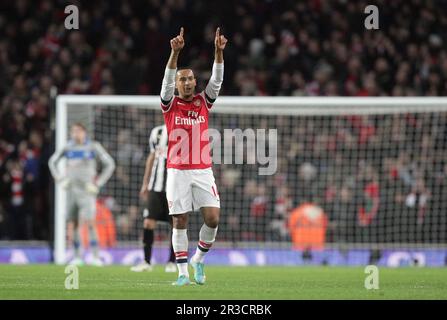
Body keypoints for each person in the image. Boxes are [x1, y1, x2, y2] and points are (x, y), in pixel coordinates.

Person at [160, 27, 227, 285]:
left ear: (194, 82)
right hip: (177, 170)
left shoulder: (203, 101)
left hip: (201, 169)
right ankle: (181, 273)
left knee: (213, 217)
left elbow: (217, 81)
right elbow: (166, 81)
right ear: (177, 84)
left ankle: (198, 258)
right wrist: (174, 53)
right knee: (180, 220)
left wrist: (218, 52)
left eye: (190, 79)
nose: (187, 82)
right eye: (182, 79)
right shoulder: (169, 104)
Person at [48, 123, 115, 266]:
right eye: (73, 131)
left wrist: (98, 183)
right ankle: (77, 257)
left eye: (78, 131)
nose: (75, 134)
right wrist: (60, 179)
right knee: (73, 224)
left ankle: (96, 257)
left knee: (90, 222)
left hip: (87, 191)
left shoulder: (93, 147)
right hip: (71, 190)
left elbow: (110, 164)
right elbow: (52, 162)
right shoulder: (67, 147)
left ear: (84, 132)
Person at [130, 124, 176, 273]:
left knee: (176, 224)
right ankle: (146, 262)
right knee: (148, 222)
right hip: (155, 187)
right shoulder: (156, 131)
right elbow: (152, 156)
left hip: (175, 188)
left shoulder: (183, 131)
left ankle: (172, 262)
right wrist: (145, 183)